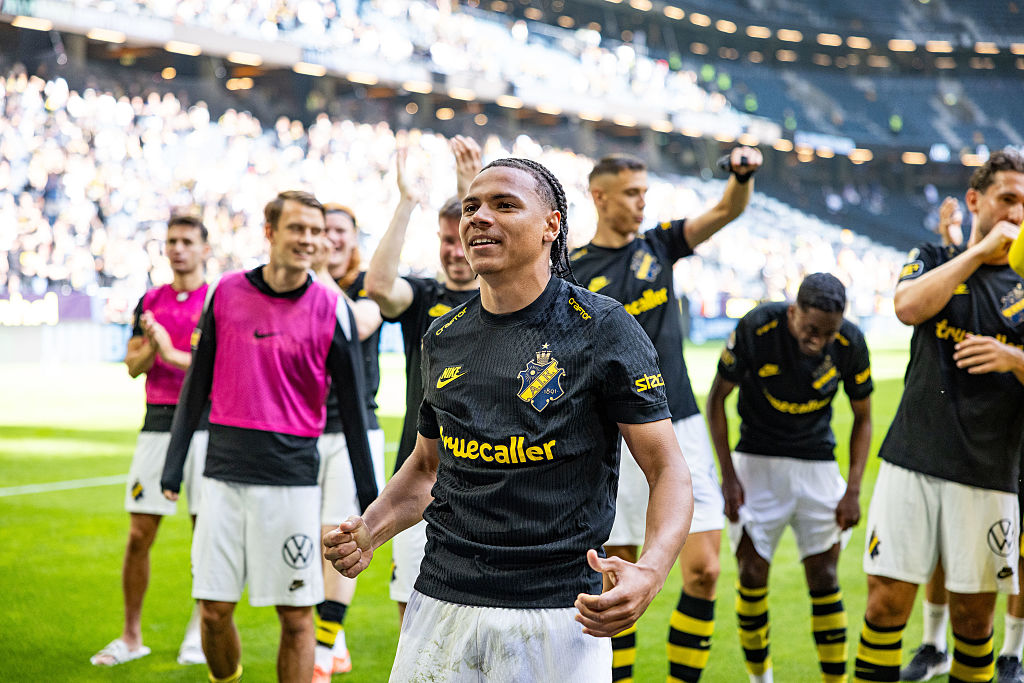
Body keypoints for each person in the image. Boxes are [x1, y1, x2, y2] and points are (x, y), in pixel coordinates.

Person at [325, 156, 693, 682]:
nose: (478, 217)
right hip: (442, 601)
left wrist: (651, 571)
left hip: (559, 615)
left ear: (551, 226)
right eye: (471, 206)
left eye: (504, 204)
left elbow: (667, 470)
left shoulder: (603, 328)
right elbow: (428, 469)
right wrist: (371, 528)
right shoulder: (443, 337)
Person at [160, 191, 377, 683]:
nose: (308, 239)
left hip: (293, 482)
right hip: (223, 476)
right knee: (214, 611)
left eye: (316, 231)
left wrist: (369, 496)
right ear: (270, 232)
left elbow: (356, 404)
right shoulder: (227, 292)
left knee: (298, 618)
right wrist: (173, 466)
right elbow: (196, 386)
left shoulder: (331, 308)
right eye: (297, 228)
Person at [569, 146, 762, 682]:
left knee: (704, 571)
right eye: (631, 193)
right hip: (612, 434)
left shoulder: (659, 244)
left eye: (645, 193)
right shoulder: (573, 270)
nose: (641, 203)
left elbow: (726, 211)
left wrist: (742, 176)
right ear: (599, 196)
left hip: (679, 423)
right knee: (616, 574)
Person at [854, 149, 1024, 683]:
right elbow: (908, 308)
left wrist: (1015, 358)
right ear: (976, 200)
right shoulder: (931, 255)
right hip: (913, 458)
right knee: (883, 605)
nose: (1018, 215)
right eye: (1008, 200)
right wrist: (975, 254)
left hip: (988, 470)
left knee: (974, 619)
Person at [707, 272, 873, 683]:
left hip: (817, 463)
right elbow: (716, 401)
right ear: (793, 311)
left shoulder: (850, 342)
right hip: (755, 461)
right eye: (812, 329)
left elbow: (864, 417)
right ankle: (760, 678)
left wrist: (853, 490)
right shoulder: (756, 327)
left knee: (825, 577)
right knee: (750, 574)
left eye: (828, 334)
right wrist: (728, 477)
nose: (819, 341)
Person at [899, 195, 1024, 683]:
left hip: (1009, 434)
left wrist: (1011, 358)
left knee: (1014, 553)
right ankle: (934, 644)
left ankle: (1013, 650)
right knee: (944, 552)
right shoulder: (967, 261)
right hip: (967, 433)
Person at [363, 137, 481, 625]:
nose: (455, 251)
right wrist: (407, 204)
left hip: (487, 479)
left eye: (464, 237)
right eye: (446, 240)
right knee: (413, 616)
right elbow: (377, 288)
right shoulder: (425, 296)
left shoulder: (507, 300)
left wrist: (470, 191)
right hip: (422, 477)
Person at [91, 214, 211, 667]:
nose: (178, 248)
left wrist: (167, 350)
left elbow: (211, 370)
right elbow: (131, 365)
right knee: (139, 535)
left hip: (202, 426)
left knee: (206, 535)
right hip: (157, 424)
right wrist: (151, 348)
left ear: (205, 249)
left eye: (187, 241)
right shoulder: (151, 299)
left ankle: (199, 631)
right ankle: (130, 635)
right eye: (171, 241)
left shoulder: (216, 299)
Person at [310, 202, 385, 682]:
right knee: (309, 540)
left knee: (338, 537)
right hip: (303, 430)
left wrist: (316, 272)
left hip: (353, 433)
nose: (331, 238)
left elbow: (357, 324)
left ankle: (319, 653)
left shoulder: (367, 289)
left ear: (354, 238)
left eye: (339, 230)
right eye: (323, 230)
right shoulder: (299, 288)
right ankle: (332, 641)